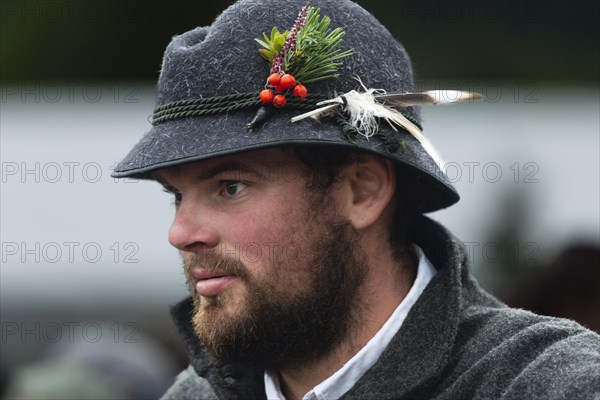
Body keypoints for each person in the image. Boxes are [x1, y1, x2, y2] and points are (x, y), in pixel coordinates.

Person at [112, 0, 600, 398]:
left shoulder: (548, 385)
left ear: (362, 191)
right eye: (176, 195)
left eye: (230, 186)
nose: (181, 233)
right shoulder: (191, 397)